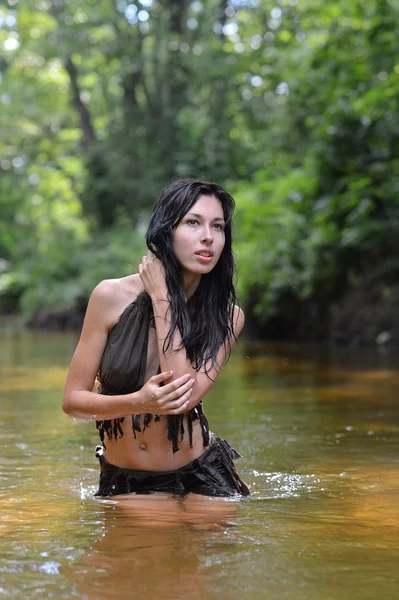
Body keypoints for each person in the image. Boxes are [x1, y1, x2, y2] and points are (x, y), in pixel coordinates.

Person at [62, 179, 250, 498]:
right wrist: (138, 402)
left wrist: (163, 297)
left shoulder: (228, 315)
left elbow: (182, 397)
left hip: (202, 472)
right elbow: (73, 402)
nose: (208, 237)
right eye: (193, 222)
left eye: (217, 227)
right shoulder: (110, 296)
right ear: (166, 230)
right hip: (128, 478)